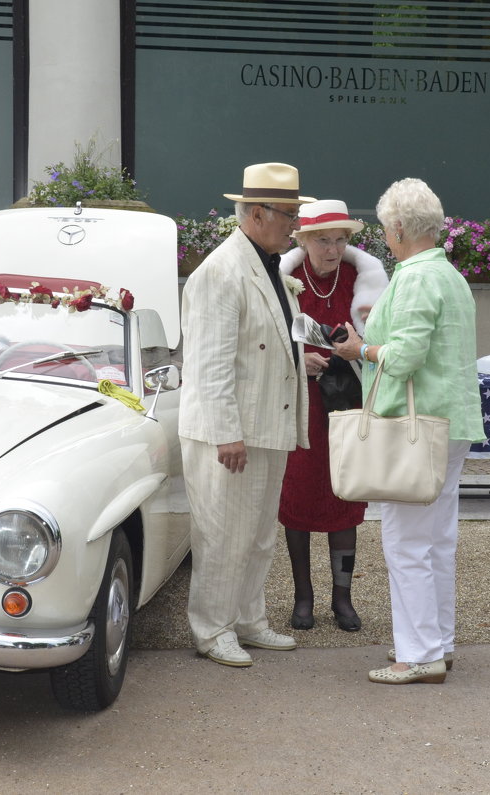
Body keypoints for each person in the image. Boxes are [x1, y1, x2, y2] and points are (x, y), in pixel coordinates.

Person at [332, 177, 484, 684]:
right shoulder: (446, 274)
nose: (383, 237)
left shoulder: (416, 276)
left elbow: (405, 356)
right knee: (436, 539)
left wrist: (363, 349)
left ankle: (419, 655)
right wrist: (380, 328)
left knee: (407, 542)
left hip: (416, 425)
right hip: (449, 421)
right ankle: (437, 644)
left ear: (398, 227)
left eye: (384, 228)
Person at [179, 162, 313, 667]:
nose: (294, 225)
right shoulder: (222, 270)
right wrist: (226, 434)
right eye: (288, 215)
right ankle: (212, 630)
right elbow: (209, 364)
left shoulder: (269, 265)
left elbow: (267, 343)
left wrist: (306, 359)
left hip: (264, 423)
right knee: (222, 536)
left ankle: (249, 620)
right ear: (256, 214)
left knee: (257, 535)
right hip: (231, 432)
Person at [278, 199, 389, 632]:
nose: (333, 249)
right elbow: (264, 341)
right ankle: (303, 598)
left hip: (347, 405)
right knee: (299, 499)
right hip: (301, 406)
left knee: (346, 497)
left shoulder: (360, 281)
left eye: (341, 240)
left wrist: (357, 345)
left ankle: (342, 598)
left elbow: (380, 338)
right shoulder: (284, 280)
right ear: (302, 240)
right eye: (323, 240)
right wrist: (297, 361)